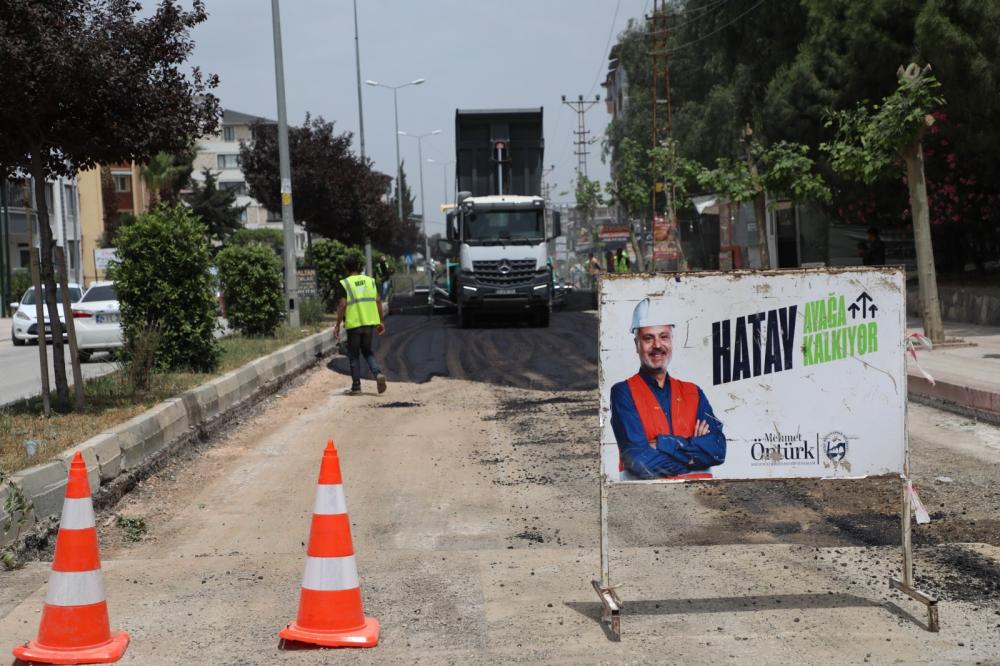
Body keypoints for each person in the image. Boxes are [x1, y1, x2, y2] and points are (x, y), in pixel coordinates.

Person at [610, 298, 726, 480]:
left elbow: (718, 449)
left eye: (663, 336)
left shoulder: (693, 392)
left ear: (672, 340)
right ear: (636, 345)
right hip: (645, 503)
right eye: (648, 338)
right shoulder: (623, 393)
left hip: (699, 501)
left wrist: (663, 444)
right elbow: (638, 460)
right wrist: (694, 453)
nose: (657, 345)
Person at [333, 256, 387, 395]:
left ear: (346, 268)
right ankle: (377, 374)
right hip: (369, 323)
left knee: (354, 355)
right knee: (367, 351)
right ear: (358, 266)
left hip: (354, 324)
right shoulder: (370, 281)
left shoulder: (345, 283)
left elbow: (342, 305)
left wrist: (338, 324)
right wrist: (381, 321)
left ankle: (356, 387)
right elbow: (378, 301)